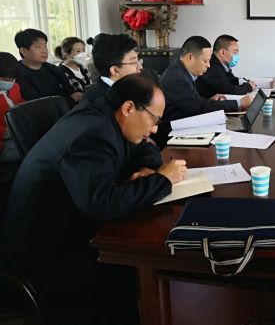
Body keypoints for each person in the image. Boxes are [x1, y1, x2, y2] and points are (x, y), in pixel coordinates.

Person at [0, 74, 187, 325]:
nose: (154, 129)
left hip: (71, 226)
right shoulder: (91, 134)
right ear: (129, 108)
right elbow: (103, 204)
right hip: (45, 255)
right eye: (154, 119)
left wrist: (149, 168)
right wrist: (162, 180)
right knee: (135, 267)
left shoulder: (110, 115)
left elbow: (147, 147)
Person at [156, 36, 253, 147]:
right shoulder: (176, 77)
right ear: (190, 57)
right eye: (205, 61)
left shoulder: (181, 71)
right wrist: (238, 103)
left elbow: (193, 103)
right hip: (170, 135)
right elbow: (200, 107)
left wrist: (209, 100)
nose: (208, 65)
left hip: (184, 123)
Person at [14, 28, 81, 105]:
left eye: (45, 46)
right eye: (38, 46)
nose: (44, 51)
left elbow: (70, 91)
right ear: (24, 51)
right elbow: (38, 104)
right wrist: (70, 100)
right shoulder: (18, 75)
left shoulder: (52, 68)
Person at [84, 33, 143, 101]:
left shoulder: (128, 88)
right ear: (115, 70)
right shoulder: (98, 102)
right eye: (133, 62)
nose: (140, 67)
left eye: (138, 60)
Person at [0, 52, 25, 163]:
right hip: (3, 144)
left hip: (18, 132)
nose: (10, 82)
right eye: (6, 79)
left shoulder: (15, 87)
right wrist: (7, 131)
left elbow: (21, 104)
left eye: (13, 79)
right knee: (31, 148)